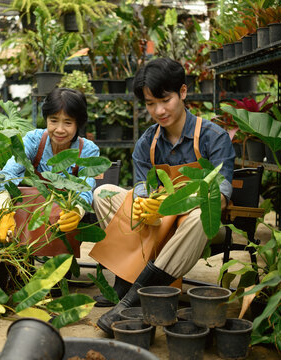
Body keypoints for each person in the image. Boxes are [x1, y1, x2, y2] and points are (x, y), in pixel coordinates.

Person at [89, 58, 235, 336]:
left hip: (196, 229)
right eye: (149, 103)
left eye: (164, 100)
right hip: (157, 224)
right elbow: (142, 186)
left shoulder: (213, 137)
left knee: (203, 212)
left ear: (182, 92)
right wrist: (145, 203)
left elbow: (222, 195)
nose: (158, 110)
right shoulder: (147, 142)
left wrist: (185, 203)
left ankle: (132, 297)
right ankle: (135, 276)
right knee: (103, 193)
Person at [0, 87, 100, 256]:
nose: (59, 129)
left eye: (68, 122)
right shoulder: (34, 140)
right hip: (30, 213)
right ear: (46, 119)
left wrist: (77, 211)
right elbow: (6, 175)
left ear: (78, 123)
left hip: (61, 220)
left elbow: (86, 187)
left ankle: (59, 263)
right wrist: (3, 212)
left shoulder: (87, 150)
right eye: (54, 120)